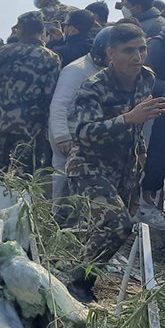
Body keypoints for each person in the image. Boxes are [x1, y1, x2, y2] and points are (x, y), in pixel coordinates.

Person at [67, 23, 165, 302]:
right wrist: (127, 119)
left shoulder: (146, 78)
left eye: (142, 49)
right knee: (117, 223)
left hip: (124, 167)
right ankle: (79, 283)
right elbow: (81, 132)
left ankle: (78, 273)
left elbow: (138, 128)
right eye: (128, 50)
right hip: (89, 167)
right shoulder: (93, 87)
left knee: (107, 226)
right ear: (111, 53)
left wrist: (142, 157)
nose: (137, 56)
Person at [0, 12, 61, 174]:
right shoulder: (51, 58)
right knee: (24, 174)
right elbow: (50, 93)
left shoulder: (4, 52)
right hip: (31, 126)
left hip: (0, 121)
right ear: (41, 30)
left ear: (20, 30)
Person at [49, 26, 111, 201]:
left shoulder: (108, 71)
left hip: (91, 133)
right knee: (63, 179)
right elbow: (59, 105)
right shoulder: (76, 70)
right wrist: (61, 136)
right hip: (69, 132)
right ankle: (56, 216)